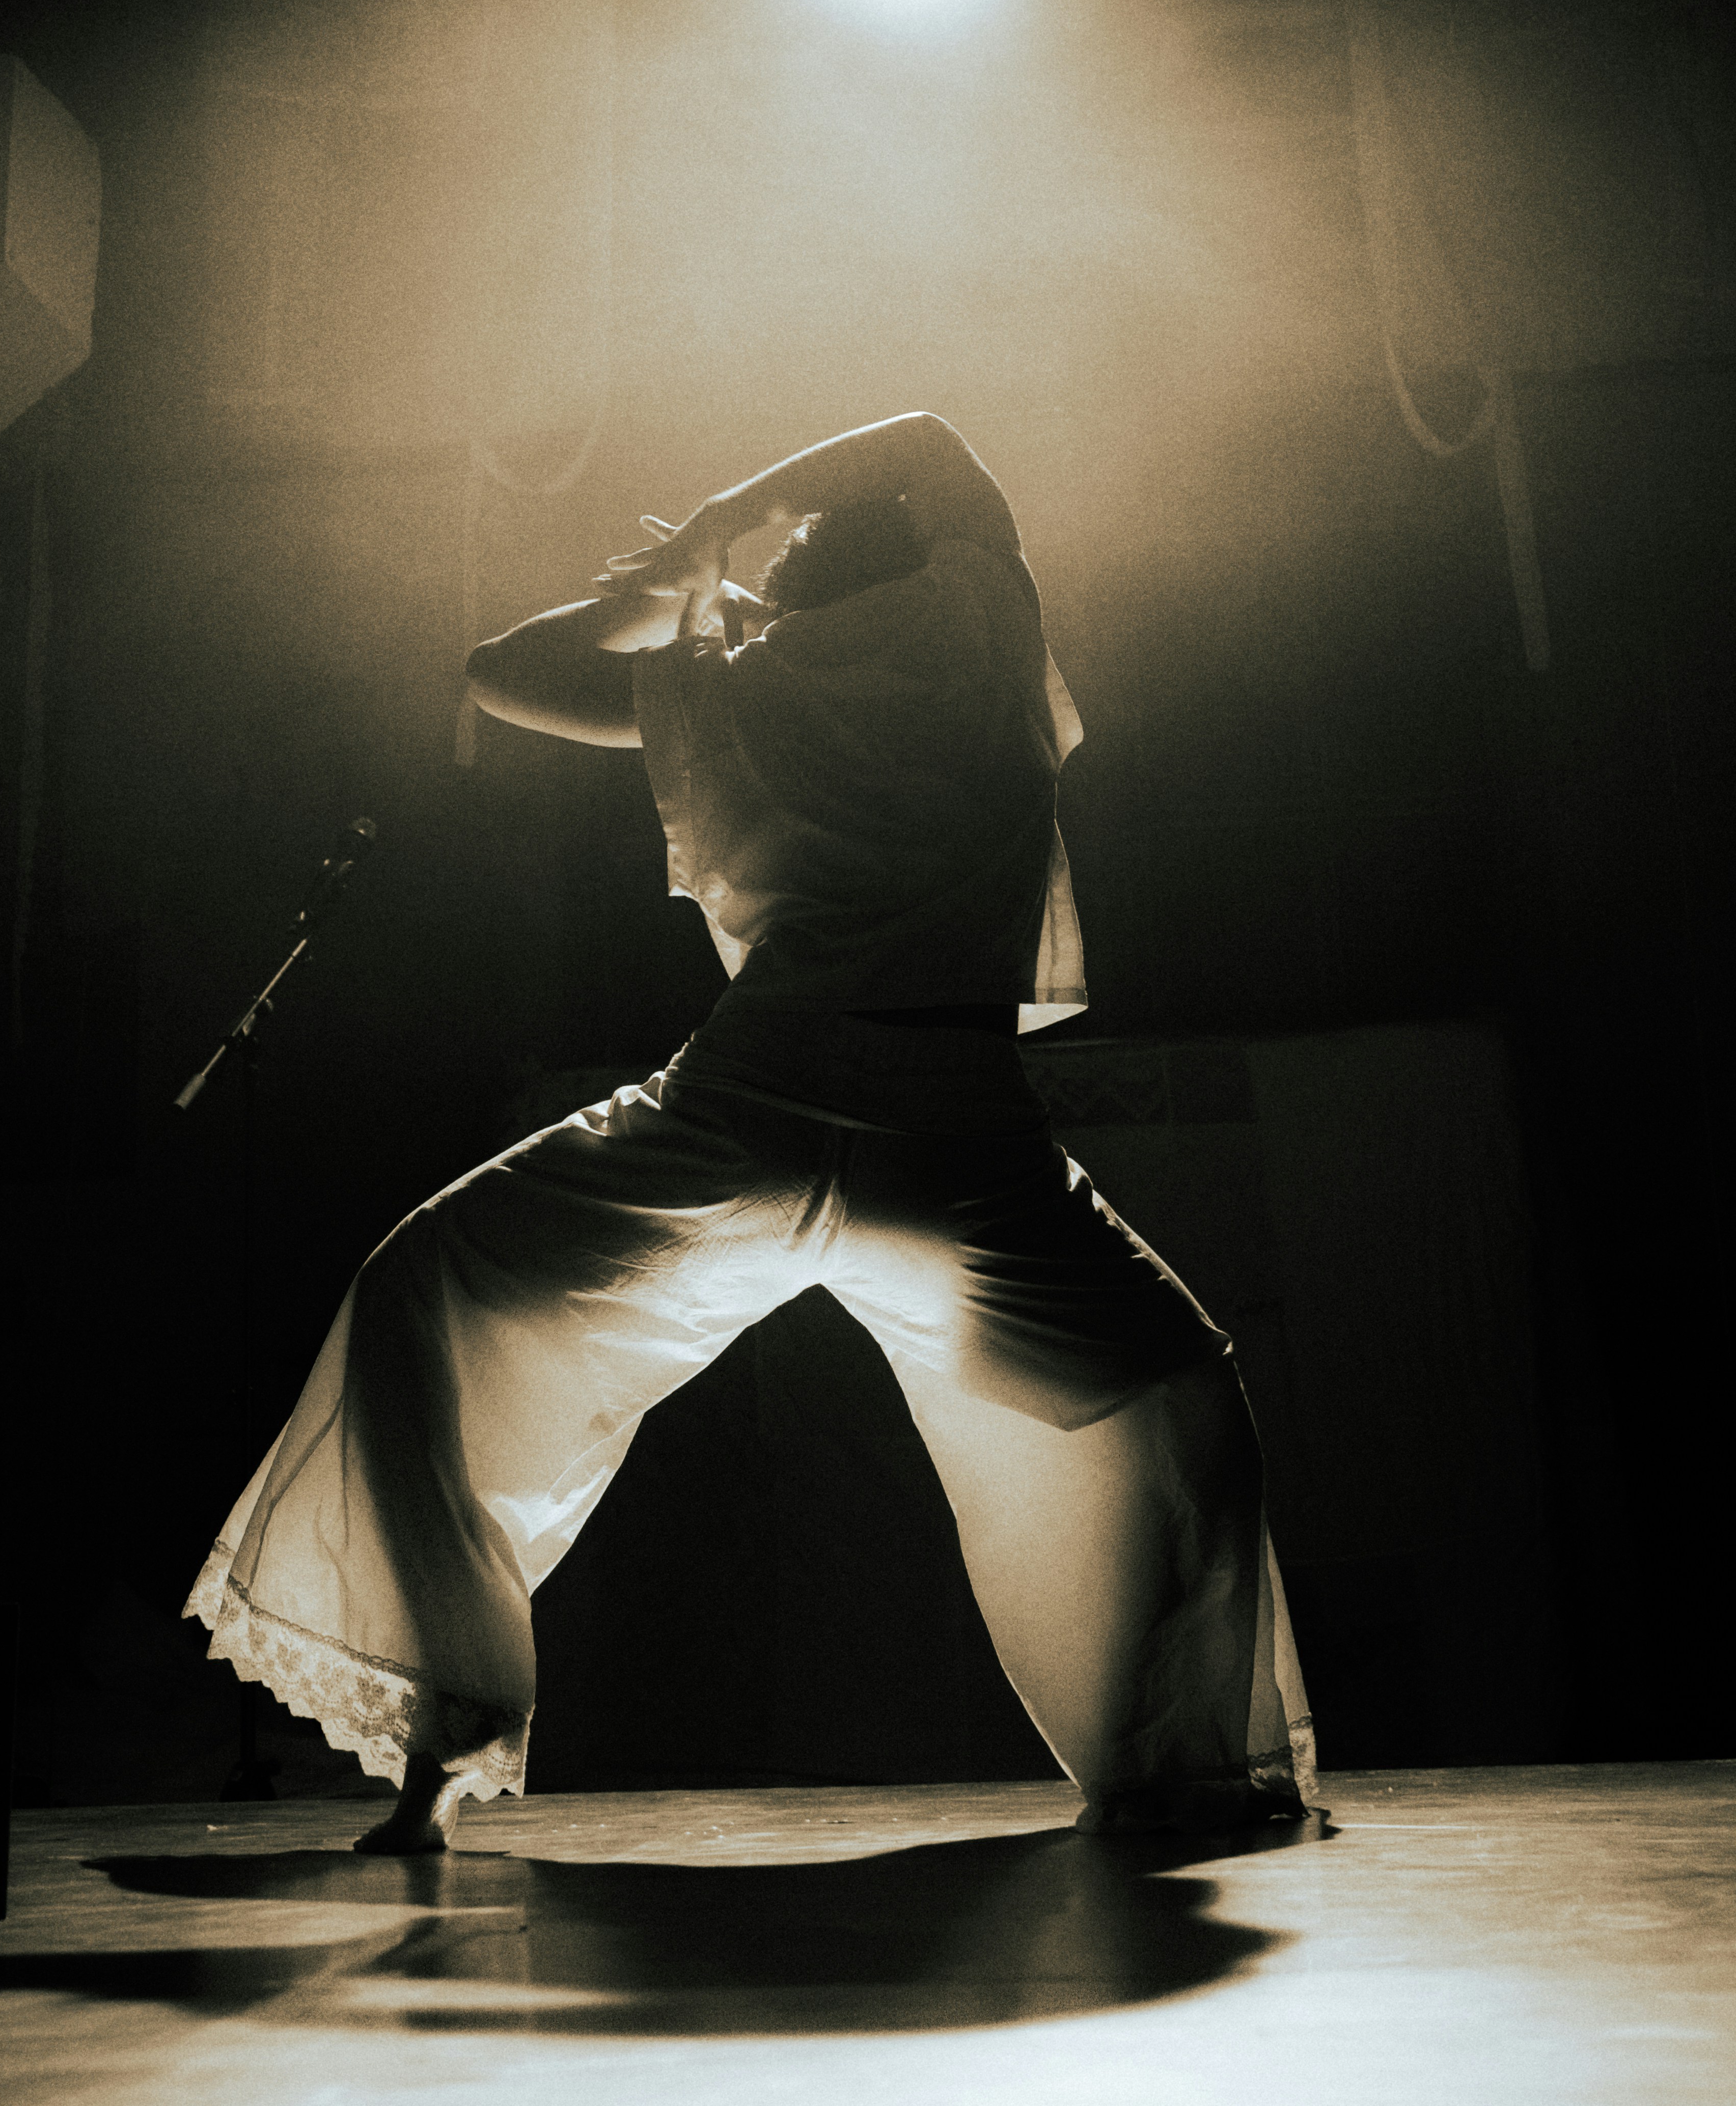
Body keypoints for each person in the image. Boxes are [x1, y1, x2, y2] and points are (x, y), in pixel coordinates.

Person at [184, 411, 1315, 1850]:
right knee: (1190, 1399)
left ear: (797, 594)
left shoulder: (737, 689)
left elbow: (501, 669)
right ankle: (1192, 1767)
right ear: (925, 558)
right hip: (952, 1143)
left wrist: (672, 580)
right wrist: (737, 513)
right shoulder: (983, 630)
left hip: (753, 1113)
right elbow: (932, 436)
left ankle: (441, 1743)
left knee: (419, 1287)